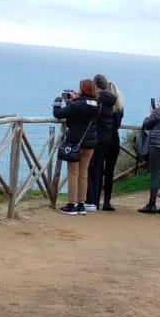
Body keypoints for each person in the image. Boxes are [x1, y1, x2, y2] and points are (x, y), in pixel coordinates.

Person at [52, 78, 103, 215]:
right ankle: (81, 204)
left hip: (75, 142)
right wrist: (75, 100)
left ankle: (71, 204)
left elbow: (58, 114)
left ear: (83, 89)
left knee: (73, 173)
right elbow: (84, 110)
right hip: (90, 143)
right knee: (83, 173)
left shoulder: (77, 104)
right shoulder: (98, 105)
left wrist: (58, 99)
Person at [85, 76, 124, 211]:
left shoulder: (100, 102)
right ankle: (107, 201)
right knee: (109, 172)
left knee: (96, 169)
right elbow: (118, 124)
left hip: (101, 138)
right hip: (113, 140)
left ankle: (94, 199)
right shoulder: (118, 107)